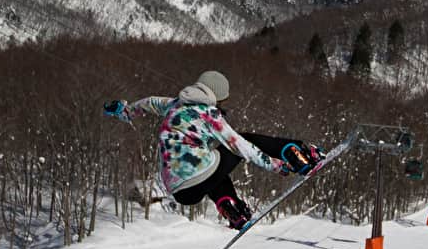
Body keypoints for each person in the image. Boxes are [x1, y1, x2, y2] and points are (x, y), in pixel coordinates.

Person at [104, 70, 323, 229]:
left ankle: (231, 209)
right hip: (198, 174)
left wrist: (124, 111)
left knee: (212, 166)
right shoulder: (210, 115)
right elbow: (241, 147)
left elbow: (148, 103)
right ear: (216, 96)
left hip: (180, 191)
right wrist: (275, 166)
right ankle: (297, 155)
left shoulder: (174, 105)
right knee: (242, 141)